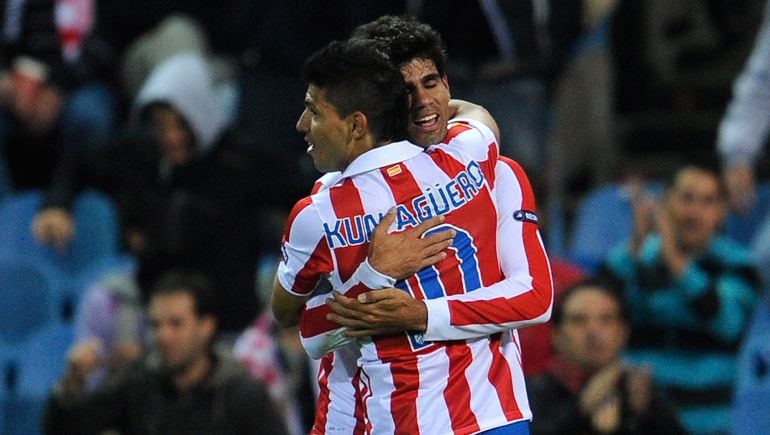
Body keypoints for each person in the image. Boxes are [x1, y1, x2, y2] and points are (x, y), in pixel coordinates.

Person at [273, 37, 551, 434]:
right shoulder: (472, 154)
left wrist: (415, 310)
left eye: (432, 83)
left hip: (451, 417)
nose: (423, 103)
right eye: (407, 92)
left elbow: (536, 298)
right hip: (383, 415)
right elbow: (479, 117)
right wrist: (376, 274)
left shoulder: (321, 211)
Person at [32, 51, 265, 334]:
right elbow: (79, 161)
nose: (171, 136)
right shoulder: (141, 151)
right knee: (100, 301)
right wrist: (56, 204)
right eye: (160, 124)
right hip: (154, 312)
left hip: (226, 320)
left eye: (181, 123)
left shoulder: (241, 163)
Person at [600, 161, 759, 434]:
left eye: (708, 201)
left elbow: (725, 320)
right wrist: (636, 245)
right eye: (686, 198)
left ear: (721, 211)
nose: (694, 212)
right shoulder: (637, 256)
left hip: (706, 425)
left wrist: (673, 258)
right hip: (638, 422)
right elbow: (601, 308)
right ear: (665, 203)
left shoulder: (739, 265)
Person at [43, 269, 287, 435]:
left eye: (176, 324)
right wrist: (73, 382)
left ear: (206, 326)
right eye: (155, 324)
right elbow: (67, 428)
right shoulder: (137, 381)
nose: (163, 336)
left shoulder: (241, 393)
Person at [527, 279, 686, 435]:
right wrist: (581, 407)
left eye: (606, 320)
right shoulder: (532, 393)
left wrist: (641, 415)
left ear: (624, 332)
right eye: (579, 320)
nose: (593, 331)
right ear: (556, 335)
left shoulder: (641, 391)